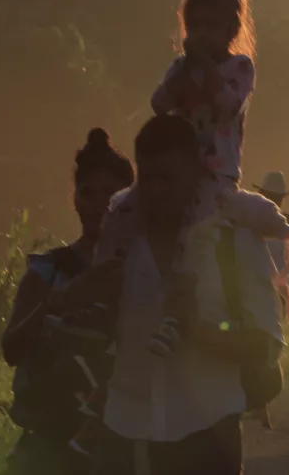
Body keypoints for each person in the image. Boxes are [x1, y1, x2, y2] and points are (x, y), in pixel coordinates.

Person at [54, 0, 289, 357]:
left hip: (213, 176)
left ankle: (177, 316)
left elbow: (226, 105)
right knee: (120, 216)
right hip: (172, 169)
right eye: (195, 25)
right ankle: (103, 306)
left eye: (211, 26)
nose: (202, 33)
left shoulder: (239, 69)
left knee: (192, 239)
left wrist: (204, 64)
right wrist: (186, 68)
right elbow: (158, 104)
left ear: (231, 28)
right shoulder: (181, 67)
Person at [92, 114, 255, 475]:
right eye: (148, 179)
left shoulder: (234, 240)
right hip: (127, 432)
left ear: (197, 174)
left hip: (210, 435)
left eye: (169, 179)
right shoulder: (119, 242)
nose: (156, 191)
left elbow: (262, 347)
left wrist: (199, 332)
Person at [1, 129, 134, 475]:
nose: (99, 204)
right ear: (74, 198)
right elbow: (12, 349)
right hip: (51, 437)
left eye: (111, 194)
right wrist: (59, 302)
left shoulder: (145, 270)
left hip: (124, 438)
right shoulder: (49, 270)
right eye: (88, 192)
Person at [252, 170, 289, 430]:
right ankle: (258, 402)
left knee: (271, 345)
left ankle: (260, 400)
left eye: (275, 197)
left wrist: (285, 292)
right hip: (253, 288)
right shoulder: (251, 221)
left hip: (275, 291)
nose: (273, 200)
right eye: (269, 196)